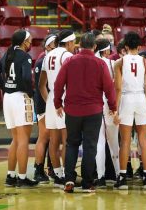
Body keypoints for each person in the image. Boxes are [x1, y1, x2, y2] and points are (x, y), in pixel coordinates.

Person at [54, 32, 117, 193]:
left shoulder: (69, 61)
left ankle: (69, 179)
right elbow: (109, 88)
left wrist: (57, 103)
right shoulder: (100, 63)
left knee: (72, 144)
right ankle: (87, 182)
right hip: (93, 111)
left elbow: (58, 83)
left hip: (72, 110)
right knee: (90, 146)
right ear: (95, 46)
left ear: (79, 44)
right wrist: (113, 107)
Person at [0, 29, 38, 187]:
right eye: (29, 40)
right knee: (24, 139)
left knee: (16, 139)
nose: (31, 43)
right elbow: (25, 78)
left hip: (8, 98)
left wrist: (4, 87)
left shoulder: (7, 54)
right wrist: (31, 93)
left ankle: (11, 176)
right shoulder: (25, 56)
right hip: (20, 97)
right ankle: (23, 178)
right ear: (24, 42)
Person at [113, 31, 146, 190]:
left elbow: (117, 89)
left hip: (126, 99)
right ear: (139, 46)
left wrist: (115, 111)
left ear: (125, 46)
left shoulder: (119, 63)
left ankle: (123, 177)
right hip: (141, 100)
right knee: (143, 140)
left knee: (125, 141)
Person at [39, 30, 75, 188]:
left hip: (52, 99)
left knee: (53, 140)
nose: (74, 46)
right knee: (67, 141)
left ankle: (58, 175)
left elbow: (41, 85)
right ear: (68, 43)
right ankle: (68, 175)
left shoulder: (47, 56)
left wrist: (50, 101)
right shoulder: (67, 56)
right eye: (74, 43)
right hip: (65, 99)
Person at [94, 38, 120, 188]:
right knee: (113, 141)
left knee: (99, 141)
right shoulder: (111, 63)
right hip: (109, 104)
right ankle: (118, 174)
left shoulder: (91, 62)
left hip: (95, 104)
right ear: (106, 50)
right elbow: (116, 87)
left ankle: (100, 176)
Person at [33, 34, 57, 183]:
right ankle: (38, 169)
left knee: (54, 137)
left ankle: (52, 168)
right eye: (54, 44)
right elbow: (39, 86)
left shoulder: (54, 59)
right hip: (43, 102)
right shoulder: (42, 61)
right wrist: (48, 103)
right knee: (44, 136)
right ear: (48, 46)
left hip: (53, 102)